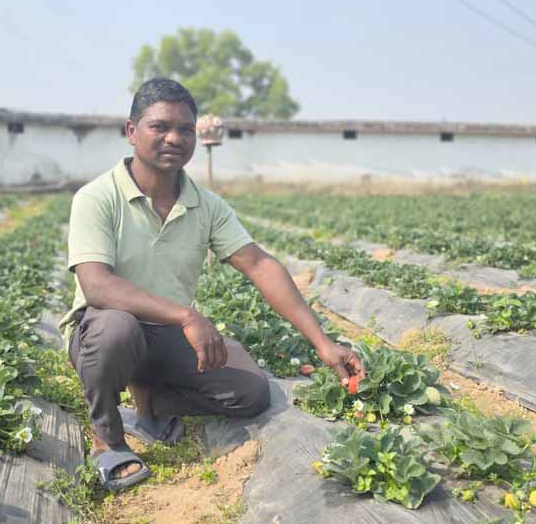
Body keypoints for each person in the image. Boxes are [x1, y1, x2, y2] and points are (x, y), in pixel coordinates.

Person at [59, 77, 363, 491]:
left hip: (164, 334)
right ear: (131, 132)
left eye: (185, 129)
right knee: (118, 328)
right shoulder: (97, 197)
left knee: (251, 393)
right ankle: (107, 440)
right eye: (160, 126)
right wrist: (187, 314)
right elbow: (97, 286)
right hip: (103, 330)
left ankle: (148, 403)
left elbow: (259, 264)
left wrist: (322, 342)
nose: (174, 138)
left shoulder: (204, 204)